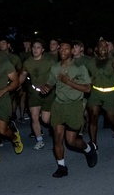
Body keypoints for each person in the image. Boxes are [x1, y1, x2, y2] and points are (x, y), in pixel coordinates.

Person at [40, 41, 98, 178]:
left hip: (74, 106)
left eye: (66, 49)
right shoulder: (55, 68)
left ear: (72, 51)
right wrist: (46, 87)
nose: (63, 51)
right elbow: (50, 83)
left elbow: (88, 89)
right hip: (58, 105)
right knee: (57, 138)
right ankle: (62, 167)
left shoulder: (80, 68)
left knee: (71, 141)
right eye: (61, 49)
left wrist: (69, 82)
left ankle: (89, 149)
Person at [86, 39, 114, 150]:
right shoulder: (90, 63)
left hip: (111, 92)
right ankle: (94, 145)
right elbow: (86, 77)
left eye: (106, 46)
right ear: (96, 49)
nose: (104, 48)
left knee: (112, 120)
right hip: (95, 92)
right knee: (93, 118)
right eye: (101, 46)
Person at [20, 39, 53, 150]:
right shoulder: (28, 62)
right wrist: (15, 87)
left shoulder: (49, 61)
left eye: (38, 47)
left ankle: (56, 125)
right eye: (34, 47)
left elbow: (55, 76)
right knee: (34, 117)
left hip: (48, 92)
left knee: (45, 119)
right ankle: (39, 140)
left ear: (43, 50)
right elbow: (23, 76)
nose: (35, 49)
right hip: (34, 92)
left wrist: (49, 86)